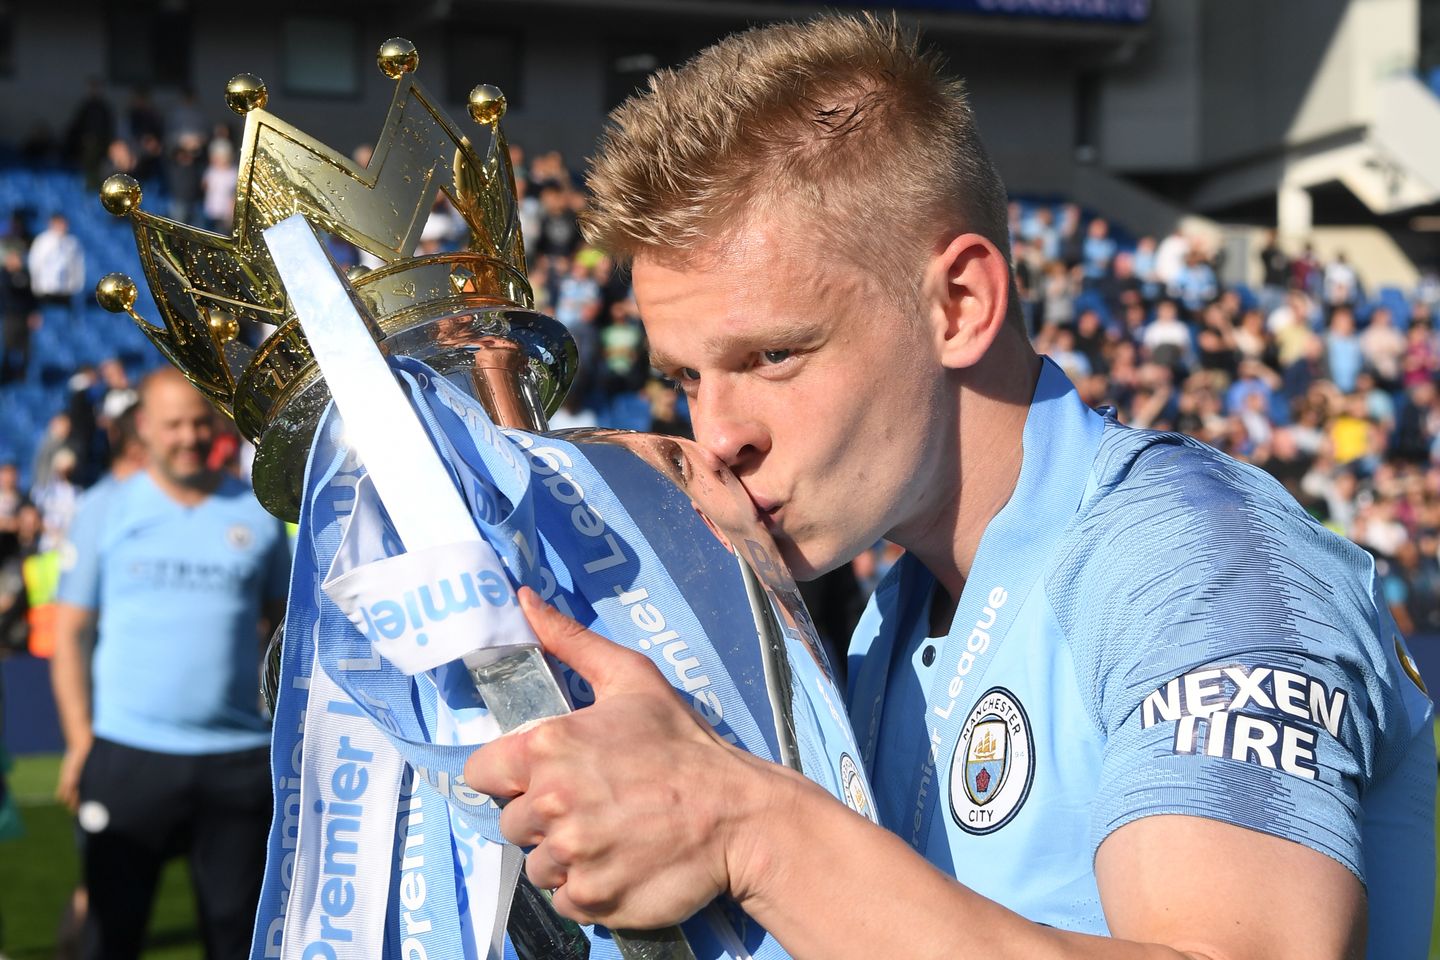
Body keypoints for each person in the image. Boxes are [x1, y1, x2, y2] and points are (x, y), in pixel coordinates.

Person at [461, 15, 1435, 960]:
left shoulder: (1198, 559)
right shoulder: (899, 612)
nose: (717, 434)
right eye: (686, 379)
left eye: (772, 354)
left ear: (959, 303)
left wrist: (747, 828)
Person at [49, 368, 289, 960]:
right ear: (144, 429)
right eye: (174, 424)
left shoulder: (255, 515)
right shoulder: (105, 507)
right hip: (129, 756)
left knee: (239, 939)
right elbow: (71, 633)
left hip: (235, 762)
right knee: (109, 935)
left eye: (200, 421)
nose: (189, 436)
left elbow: (288, 631)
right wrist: (82, 743)